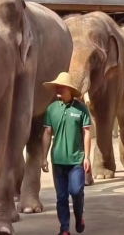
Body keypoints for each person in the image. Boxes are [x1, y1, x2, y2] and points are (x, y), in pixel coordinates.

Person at [41, 72, 91, 235]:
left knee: (76, 191)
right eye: (57, 87)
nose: (58, 89)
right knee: (61, 197)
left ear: (69, 90)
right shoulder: (51, 109)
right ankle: (64, 229)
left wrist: (87, 157)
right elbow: (47, 133)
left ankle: (79, 215)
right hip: (58, 160)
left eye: (61, 87)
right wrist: (44, 157)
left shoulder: (81, 109)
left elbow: (87, 133)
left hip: (77, 160)